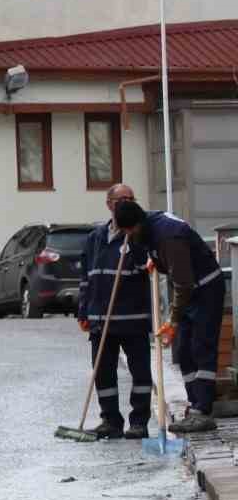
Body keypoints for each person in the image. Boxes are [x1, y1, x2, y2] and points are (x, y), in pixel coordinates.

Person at [113, 199, 227, 435]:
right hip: (188, 291)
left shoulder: (169, 237)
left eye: (128, 231)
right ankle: (194, 405)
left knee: (201, 347)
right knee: (183, 350)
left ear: (136, 224)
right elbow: (166, 265)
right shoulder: (148, 229)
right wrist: (153, 259)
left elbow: (182, 282)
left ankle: (203, 411)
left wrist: (173, 320)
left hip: (204, 289)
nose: (128, 235)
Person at [77, 184, 153, 439]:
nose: (128, 203)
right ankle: (110, 420)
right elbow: (86, 278)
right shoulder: (94, 237)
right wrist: (83, 311)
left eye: (132, 198)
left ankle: (139, 421)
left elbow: (147, 268)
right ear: (109, 204)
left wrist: (135, 247)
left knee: (140, 372)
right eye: (122, 199)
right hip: (101, 319)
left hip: (132, 318)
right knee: (103, 371)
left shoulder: (138, 234)